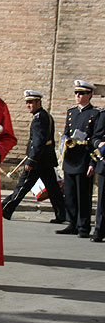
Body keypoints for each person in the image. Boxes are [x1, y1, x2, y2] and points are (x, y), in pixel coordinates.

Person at [2, 91, 66, 223]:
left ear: (38, 102)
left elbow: (38, 142)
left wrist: (31, 160)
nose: (28, 105)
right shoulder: (45, 116)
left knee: (23, 186)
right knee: (53, 190)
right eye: (27, 102)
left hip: (37, 161)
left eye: (31, 102)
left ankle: (6, 208)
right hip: (46, 160)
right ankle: (62, 214)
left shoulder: (39, 119)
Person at [56, 80, 100, 238]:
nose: (77, 96)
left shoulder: (95, 114)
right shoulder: (71, 112)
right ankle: (72, 223)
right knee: (70, 194)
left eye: (81, 93)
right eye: (76, 93)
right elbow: (66, 134)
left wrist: (92, 162)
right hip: (71, 158)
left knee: (83, 195)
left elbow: (96, 139)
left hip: (84, 159)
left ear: (90, 95)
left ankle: (83, 226)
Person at [90, 109, 105, 242]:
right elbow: (95, 137)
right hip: (104, 165)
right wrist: (100, 144)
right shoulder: (103, 115)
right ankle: (99, 231)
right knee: (102, 201)